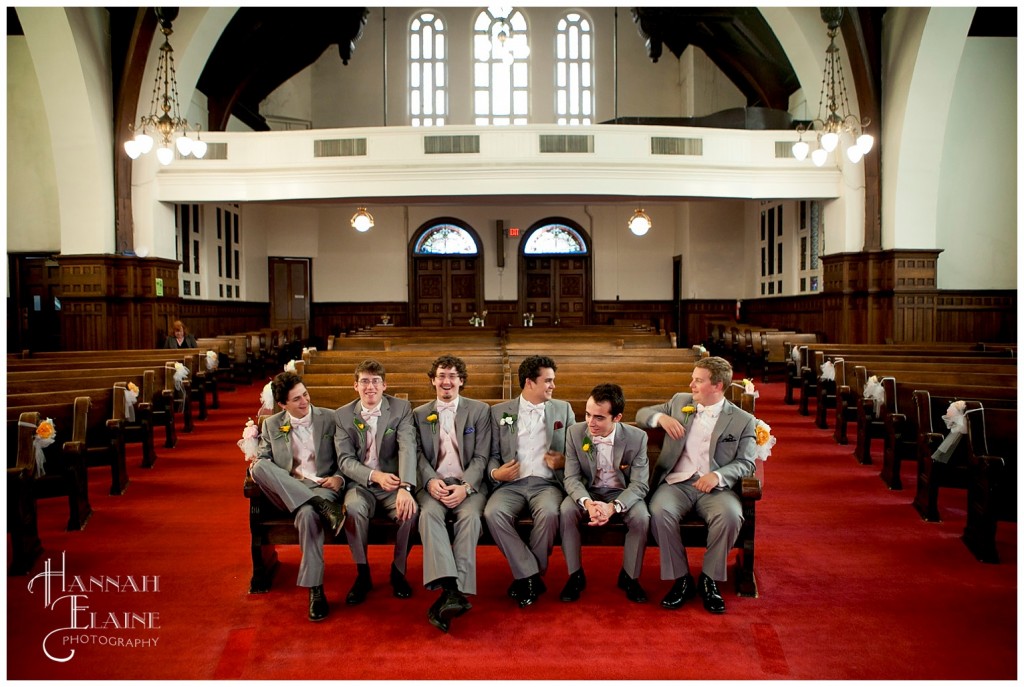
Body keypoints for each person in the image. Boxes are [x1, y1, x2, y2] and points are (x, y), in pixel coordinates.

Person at [635, 356, 756, 614]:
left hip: (715, 487)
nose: (691, 385)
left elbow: (747, 463)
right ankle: (681, 579)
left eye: (698, 381)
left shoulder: (743, 420)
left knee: (731, 516)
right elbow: (641, 414)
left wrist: (719, 476)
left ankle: (709, 579)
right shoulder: (680, 402)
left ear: (717, 386)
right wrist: (661, 419)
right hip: (676, 483)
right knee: (659, 511)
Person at [248, 371, 347, 621]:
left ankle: (315, 590)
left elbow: (347, 457)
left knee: (306, 515)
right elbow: (263, 458)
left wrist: (339, 477)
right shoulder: (271, 425)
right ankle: (319, 505)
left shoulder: (330, 418)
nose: (305, 402)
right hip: (289, 488)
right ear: (282, 404)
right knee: (258, 467)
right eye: (297, 399)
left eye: (305, 395)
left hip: (323, 486)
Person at [484, 354, 575, 608]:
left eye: (553, 381)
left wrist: (564, 460)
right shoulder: (499, 412)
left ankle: (526, 578)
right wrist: (496, 474)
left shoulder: (562, 409)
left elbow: (580, 449)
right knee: (493, 513)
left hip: (547, 484)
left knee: (549, 514)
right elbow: (490, 455)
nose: (553, 386)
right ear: (529, 383)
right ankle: (531, 574)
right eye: (548, 381)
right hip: (510, 484)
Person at [413, 355, 492, 633]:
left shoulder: (480, 411)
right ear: (433, 380)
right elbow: (418, 454)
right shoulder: (419, 414)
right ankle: (452, 589)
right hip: (432, 485)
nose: (446, 381)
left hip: (468, 485)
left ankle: (454, 590)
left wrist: (466, 487)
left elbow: (482, 457)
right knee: (428, 516)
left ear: (461, 381)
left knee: (470, 518)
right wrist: (430, 480)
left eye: (452, 376)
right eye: (441, 376)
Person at [334, 359, 418, 605]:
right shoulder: (342, 415)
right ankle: (362, 573)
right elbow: (345, 461)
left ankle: (398, 571)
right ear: (355, 386)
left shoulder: (401, 408)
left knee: (410, 512)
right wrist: (374, 476)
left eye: (375, 381)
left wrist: (405, 487)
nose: (370, 387)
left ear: (384, 385)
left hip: (394, 483)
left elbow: (408, 448)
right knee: (353, 511)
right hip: (361, 484)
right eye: (364, 382)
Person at [559, 383, 650, 604]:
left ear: (617, 418)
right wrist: (588, 504)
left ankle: (630, 576)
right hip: (588, 491)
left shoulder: (637, 438)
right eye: (588, 414)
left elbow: (639, 485)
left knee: (641, 517)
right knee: (566, 511)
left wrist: (612, 507)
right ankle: (575, 575)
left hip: (622, 491)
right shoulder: (575, 433)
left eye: (599, 417)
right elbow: (571, 478)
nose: (590, 422)